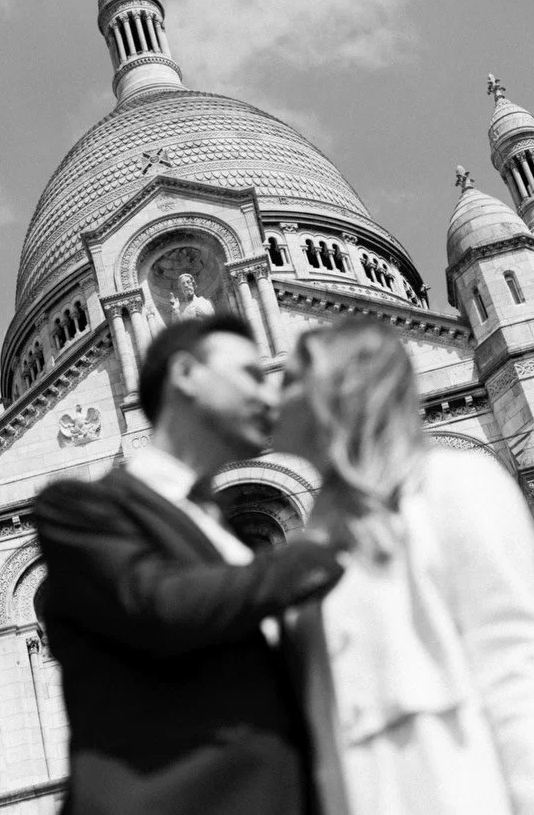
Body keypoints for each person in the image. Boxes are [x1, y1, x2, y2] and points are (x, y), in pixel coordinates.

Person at [35, 314, 346, 815]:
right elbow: (161, 605)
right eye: (249, 374)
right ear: (184, 375)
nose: (269, 396)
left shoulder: (228, 538)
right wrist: (318, 552)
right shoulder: (79, 509)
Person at [273, 318, 534, 815]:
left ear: (336, 388)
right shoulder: (314, 537)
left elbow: (516, 669)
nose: (270, 391)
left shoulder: (455, 483)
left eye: (288, 379)